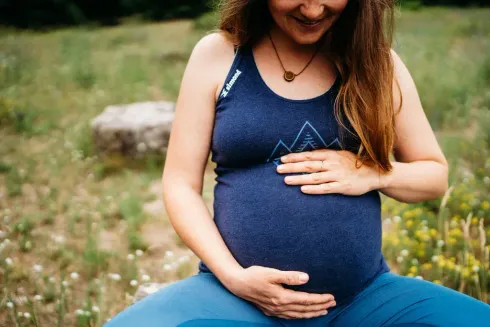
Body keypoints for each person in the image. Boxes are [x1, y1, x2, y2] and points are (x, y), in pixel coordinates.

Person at [105, 0, 490, 326]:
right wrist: (234, 277)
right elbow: (179, 185)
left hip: (365, 300)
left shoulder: (378, 64)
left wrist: (372, 172)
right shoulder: (218, 55)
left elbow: (434, 174)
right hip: (237, 300)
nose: (311, 8)